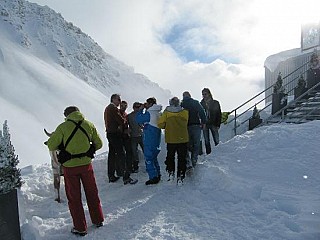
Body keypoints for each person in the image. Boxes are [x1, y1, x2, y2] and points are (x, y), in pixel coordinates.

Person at [47, 106, 104, 236]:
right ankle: (98, 219)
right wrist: (89, 148)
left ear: (66, 115)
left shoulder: (62, 127)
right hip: (86, 165)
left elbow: (51, 145)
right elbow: (99, 143)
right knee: (92, 192)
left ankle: (80, 227)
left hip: (70, 167)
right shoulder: (89, 124)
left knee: (74, 197)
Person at [104, 94, 137, 185]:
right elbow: (121, 120)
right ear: (114, 99)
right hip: (115, 134)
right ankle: (126, 177)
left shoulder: (108, 108)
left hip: (110, 133)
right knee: (121, 154)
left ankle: (111, 175)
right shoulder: (113, 108)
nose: (119, 101)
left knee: (112, 155)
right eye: (118, 99)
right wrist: (125, 122)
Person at [158, 97, 189, 184]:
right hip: (183, 138)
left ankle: (171, 173)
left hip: (171, 138)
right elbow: (186, 122)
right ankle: (181, 176)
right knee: (182, 158)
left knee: (170, 157)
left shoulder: (166, 112)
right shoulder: (185, 112)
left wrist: (166, 125)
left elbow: (160, 124)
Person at [136, 97, 162, 185]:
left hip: (150, 138)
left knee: (149, 158)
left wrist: (140, 110)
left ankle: (153, 177)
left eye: (147, 103)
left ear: (150, 104)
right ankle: (158, 174)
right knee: (154, 158)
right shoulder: (158, 112)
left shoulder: (149, 113)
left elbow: (138, 119)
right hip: (156, 138)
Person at [181, 91, 206, 168]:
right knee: (196, 144)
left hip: (185, 127)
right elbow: (202, 111)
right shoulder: (195, 102)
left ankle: (188, 162)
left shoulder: (181, 104)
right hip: (196, 125)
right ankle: (194, 160)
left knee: (186, 144)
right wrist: (203, 122)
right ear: (190, 95)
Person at [44, 129, 64, 203]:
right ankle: (57, 195)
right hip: (64, 160)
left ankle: (57, 195)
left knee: (56, 176)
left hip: (56, 161)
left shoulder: (52, 146)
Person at [200, 88, 222, 154]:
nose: (204, 96)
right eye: (203, 94)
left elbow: (219, 114)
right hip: (205, 124)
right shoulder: (201, 104)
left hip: (213, 123)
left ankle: (218, 153)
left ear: (209, 94)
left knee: (216, 140)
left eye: (205, 94)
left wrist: (218, 124)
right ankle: (208, 154)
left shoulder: (215, 103)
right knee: (206, 141)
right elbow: (199, 114)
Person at [127, 102, 144, 173]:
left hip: (140, 135)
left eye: (138, 107)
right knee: (135, 152)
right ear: (133, 107)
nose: (137, 108)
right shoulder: (130, 116)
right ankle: (136, 166)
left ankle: (146, 164)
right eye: (136, 107)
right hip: (134, 136)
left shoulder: (140, 115)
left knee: (142, 150)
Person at [119, 100, 133, 176]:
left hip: (126, 136)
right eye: (122, 106)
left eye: (125, 106)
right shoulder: (118, 113)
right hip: (120, 136)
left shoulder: (125, 114)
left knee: (129, 152)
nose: (123, 107)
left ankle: (129, 168)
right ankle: (123, 170)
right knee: (121, 154)